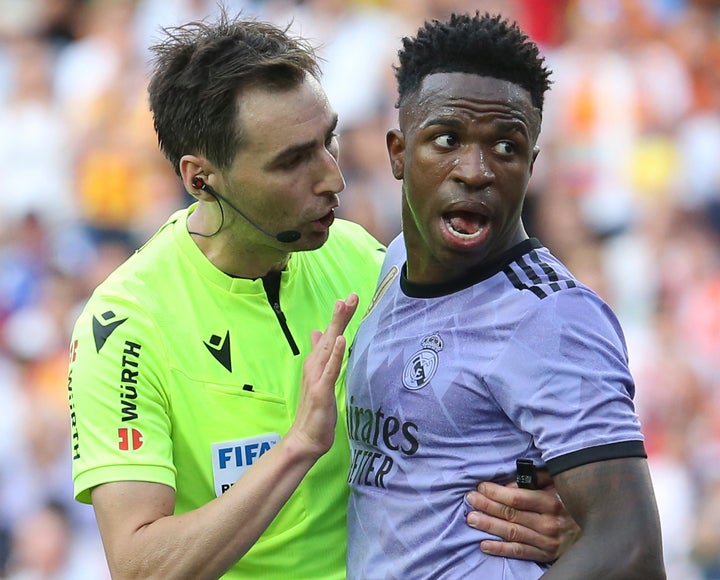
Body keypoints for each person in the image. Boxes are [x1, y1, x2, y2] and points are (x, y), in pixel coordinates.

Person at [67, 12, 575, 579]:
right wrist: (298, 448)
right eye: (291, 161)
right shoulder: (125, 325)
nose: (333, 177)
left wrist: (552, 511)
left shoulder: (362, 258)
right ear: (200, 178)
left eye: (327, 139)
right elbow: (140, 568)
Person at [345, 12, 666, 579]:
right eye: (446, 140)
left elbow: (631, 550)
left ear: (532, 165)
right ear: (398, 152)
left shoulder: (553, 316)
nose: (475, 171)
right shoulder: (391, 263)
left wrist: (582, 530)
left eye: (506, 147)